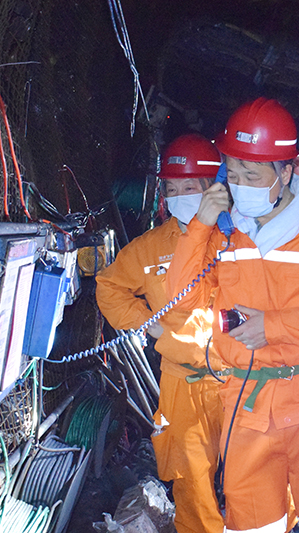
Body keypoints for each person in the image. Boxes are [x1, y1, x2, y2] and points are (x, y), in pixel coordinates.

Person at [167, 97, 299, 533]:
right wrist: (200, 226)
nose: (240, 185)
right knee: (249, 526)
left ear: (284, 171)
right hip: (247, 403)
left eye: (252, 175)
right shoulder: (225, 232)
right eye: (233, 172)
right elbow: (183, 301)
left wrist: (274, 326)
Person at [96, 133, 226, 533]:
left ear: (213, 189)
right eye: (173, 187)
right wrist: (148, 321)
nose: (182, 195)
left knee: (253, 476)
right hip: (181, 383)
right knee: (192, 485)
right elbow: (109, 287)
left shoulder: (239, 238)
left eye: (192, 187)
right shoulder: (150, 248)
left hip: (242, 379)